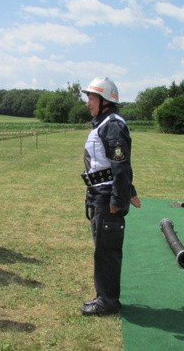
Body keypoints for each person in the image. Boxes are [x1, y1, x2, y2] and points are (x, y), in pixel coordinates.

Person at [80, 77, 140, 316]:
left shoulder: (112, 125)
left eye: (91, 98)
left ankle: (108, 301)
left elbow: (121, 166)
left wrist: (118, 200)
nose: (88, 103)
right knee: (102, 248)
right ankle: (103, 296)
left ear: (105, 101)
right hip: (99, 194)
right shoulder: (103, 123)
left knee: (107, 251)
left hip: (107, 198)